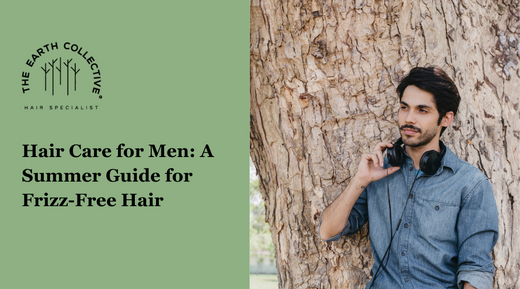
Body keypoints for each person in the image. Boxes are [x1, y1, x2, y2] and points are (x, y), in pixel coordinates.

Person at [319, 67, 499, 289]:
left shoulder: (470, 184)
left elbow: (476, 269)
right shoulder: (378, 172)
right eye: (404, 108)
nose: (409, 118)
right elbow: (328, 231)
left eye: (422, 110)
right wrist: (360, 181)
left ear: (446, 118)